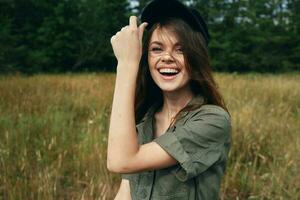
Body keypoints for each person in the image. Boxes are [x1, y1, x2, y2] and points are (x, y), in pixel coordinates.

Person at [107, 0, 231, 199]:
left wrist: (126, 64)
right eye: (157, 48)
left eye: (180, 49)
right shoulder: (144, 120)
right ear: (146, 57)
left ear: (196, 58)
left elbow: (120, 161)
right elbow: (126, 193)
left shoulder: (213, 121)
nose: (167, 57)